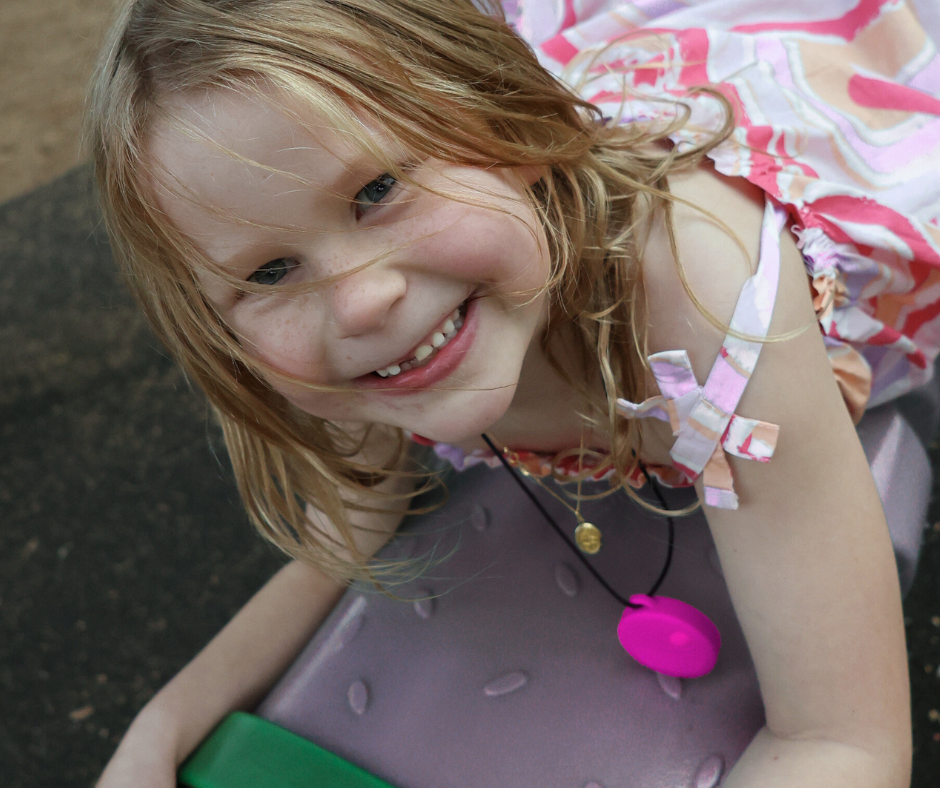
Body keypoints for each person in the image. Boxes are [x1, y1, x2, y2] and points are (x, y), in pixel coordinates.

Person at [88, 0, 940, 784]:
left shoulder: (705, 293)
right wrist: (166, 723)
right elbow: (348, 537)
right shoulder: (360, 350)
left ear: (511, 131)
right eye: (271, 272)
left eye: (377, 192)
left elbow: (842, 740)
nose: (358, 302)